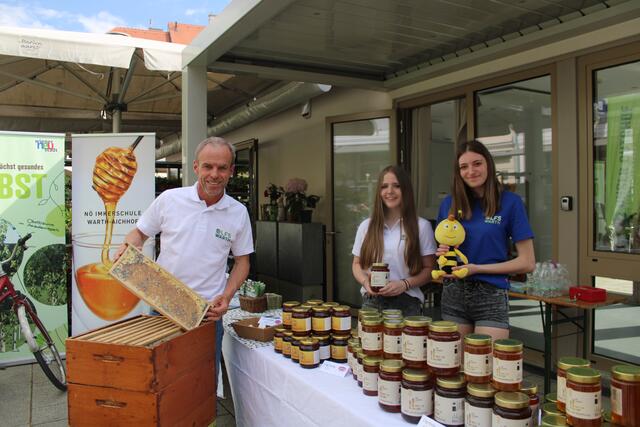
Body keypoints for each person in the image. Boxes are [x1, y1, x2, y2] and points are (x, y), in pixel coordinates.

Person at [115, 136, 253, 380]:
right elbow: (140, 233)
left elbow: (243, 261)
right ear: (196, 167)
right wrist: (127, 247)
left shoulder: (238, 212)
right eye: (208, 166)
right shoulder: (170, 199)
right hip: (163, 306)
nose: (214, 174)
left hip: (206, 313)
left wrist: (227, 295)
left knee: (202, 383)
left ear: (231, 171)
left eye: (222, 168)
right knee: (161, 380)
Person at [436, 140, 535, 341]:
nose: (471, 171)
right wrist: (442, 255)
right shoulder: (449, 204)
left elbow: (527, 262)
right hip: (454, 293)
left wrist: (478, 268)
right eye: (464, 166)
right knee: (454, 366)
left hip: (491, 293)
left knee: (485, 366)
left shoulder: (510, 203)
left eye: (477, 163)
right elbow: (441, 253)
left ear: (488, 164)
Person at [352, 165, 436, 316]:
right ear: (379, 191)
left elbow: (430, 269)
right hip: (372, 301)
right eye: (384, 186)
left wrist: (404, 284)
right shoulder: (366, 226)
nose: (389, 191)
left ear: (406, 190)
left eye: (396, 186)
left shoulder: (421, 226)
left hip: (407, 302)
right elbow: (357, 264)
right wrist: (366, 283)